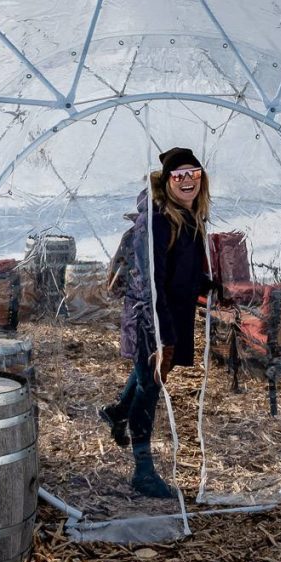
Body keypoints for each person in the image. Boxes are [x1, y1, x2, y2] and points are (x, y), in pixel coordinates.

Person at [99, 147, 212, 498]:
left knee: (150, 375)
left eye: (192, 173)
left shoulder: (188, 214)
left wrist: (208, 286)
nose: (187, 180)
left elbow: (181, 267)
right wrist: (162, 332)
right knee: (150, 386)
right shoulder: (159, 219)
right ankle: (143, 470)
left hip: (173, 311)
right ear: (166, 181)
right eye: (178, 176)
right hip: (150, 313)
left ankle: (118, 411)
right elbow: (151, 280)